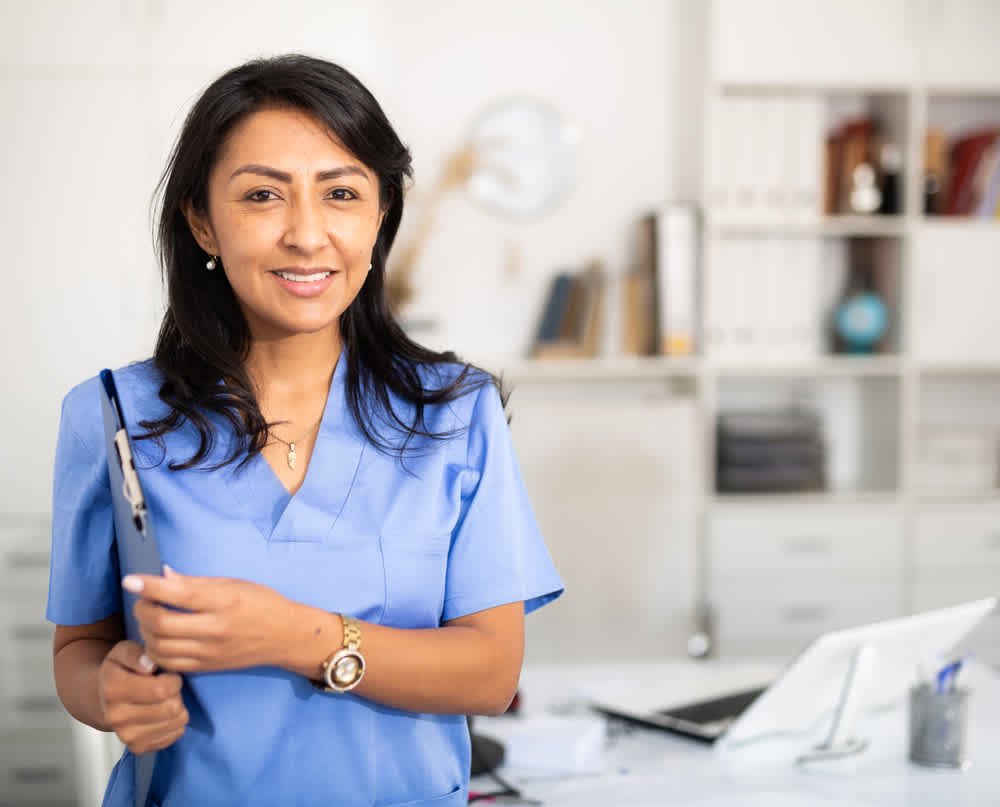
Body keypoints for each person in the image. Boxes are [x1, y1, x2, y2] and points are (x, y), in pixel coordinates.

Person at [47, 54, 563, 807]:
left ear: (380, 213)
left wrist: (295, 636)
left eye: (342, 194)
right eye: (262, 195)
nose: (307, 234)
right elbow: (78, 652)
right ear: (202, 221)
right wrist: (110, 691)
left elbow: (490, 674)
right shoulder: (115, 415)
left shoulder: (457, 413)